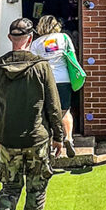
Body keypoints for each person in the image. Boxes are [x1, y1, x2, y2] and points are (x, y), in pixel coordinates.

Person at [0, 17, 64, 210]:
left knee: (9, 188)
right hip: (37, 139)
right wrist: (59, 137)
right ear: (31, 39)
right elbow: (54, 106)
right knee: (37, 188)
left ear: (11, 38)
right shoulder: (41, 67)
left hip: (8, 139)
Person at [30, 14, 79, 157]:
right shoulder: (64, 38)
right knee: (65, 111)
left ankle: (52, 143)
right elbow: (72, 59)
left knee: (47, 112)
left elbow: (33, 64)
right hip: (64, 80)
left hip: (45, 81)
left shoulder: (36, 43)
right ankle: (68, 137)